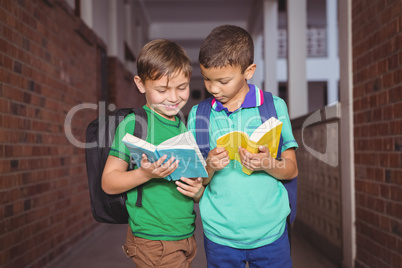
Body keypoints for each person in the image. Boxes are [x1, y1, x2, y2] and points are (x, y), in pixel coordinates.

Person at [187, 25, 299, 267]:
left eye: (223, 81)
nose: (213, 88)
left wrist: (267, 163)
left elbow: (291, 170)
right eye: (207, 79)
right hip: (219, 235)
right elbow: (197, 181)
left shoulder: (274, 106)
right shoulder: (198, 115)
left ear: (248, 71)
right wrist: (210, 165)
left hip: (271, 233)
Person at [102, 39, 204, 268]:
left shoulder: (181, 124)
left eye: (182, 87)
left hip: (185, 234)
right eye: (162, 89)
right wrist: (145, 174)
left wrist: (198, 190)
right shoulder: (134, 124)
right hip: (153, 240)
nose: (174, 97)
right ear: (141, 84)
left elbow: (192, 181)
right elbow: (109, 182)